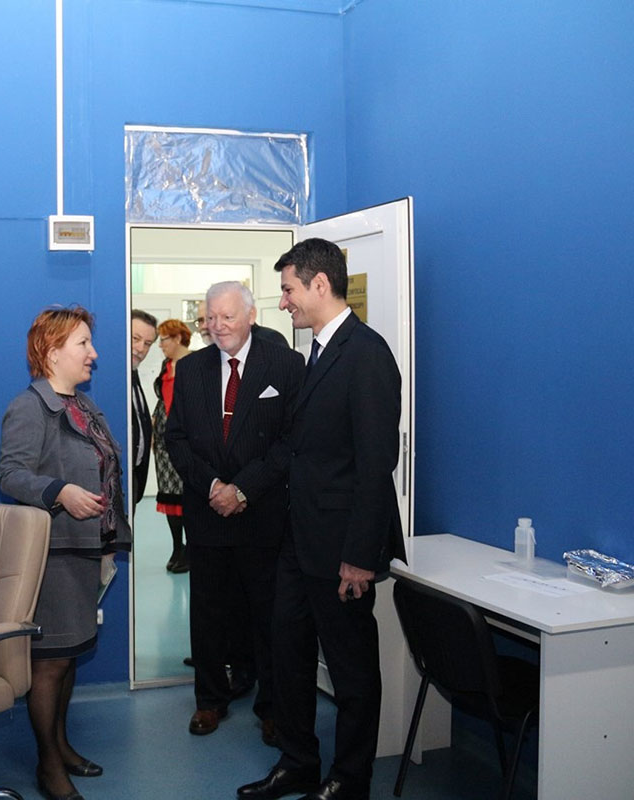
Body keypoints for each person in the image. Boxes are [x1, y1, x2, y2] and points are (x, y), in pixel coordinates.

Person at [237, 239, 404, 800]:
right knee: (288, 656)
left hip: (341, 549)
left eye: (288, 289)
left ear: (320, 285)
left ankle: (351, 779)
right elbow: (300, 446)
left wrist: (359, 557)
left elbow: (376, 465)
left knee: (352, 671)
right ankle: (298, 762)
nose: (283, 301)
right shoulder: (315, 352)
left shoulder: (367, 353)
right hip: (299, 538)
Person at [0, 305, 131, 800]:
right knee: (50, 662)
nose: (93, 353)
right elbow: (11, 475)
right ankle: (49, 766)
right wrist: (60, 492)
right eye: (83, 344)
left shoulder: (84, 406)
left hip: (85, 549)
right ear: (52, 353)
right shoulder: (28, 407)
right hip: (53, 555)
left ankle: (62, 746)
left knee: (70, 655)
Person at [165, 282, 303, 739]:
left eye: (227, 317)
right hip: (206, 513)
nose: (217, 326)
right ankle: (210, 701)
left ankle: (272, 708)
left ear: (250, 317)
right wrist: (213, 486)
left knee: (267, 616)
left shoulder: (284, 365)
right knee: (207, 614)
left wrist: (243, 489)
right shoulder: (190, 369)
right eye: (211, 317)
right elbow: (176, 439)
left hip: (261, 513)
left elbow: (290, 442)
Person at [151, 318, 193, 572]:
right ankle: (177, 547)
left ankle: (191, 550)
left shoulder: (196, 363)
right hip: (163, 445)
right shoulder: (166, 365)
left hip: (186, 442)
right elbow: (162, 399)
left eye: (163, 339)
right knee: (169, 495)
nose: (160, 345)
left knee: (187, 497)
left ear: (178, 338)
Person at [130, 310, 158, 509]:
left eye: (147, 343)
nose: (140, 348)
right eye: (135, 339)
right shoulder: (109, 378)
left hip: (135, 479)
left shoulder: (133, 374)